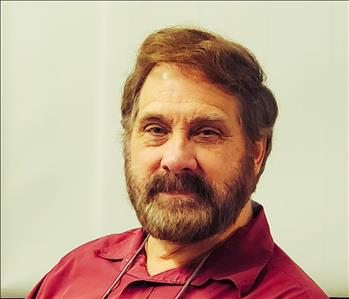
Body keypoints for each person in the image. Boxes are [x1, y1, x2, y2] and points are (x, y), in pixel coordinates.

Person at [27, 26, 328, 299]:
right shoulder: (73, 272)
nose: (175, 159)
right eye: (156, 130)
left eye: (207, 133)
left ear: (256, 153)